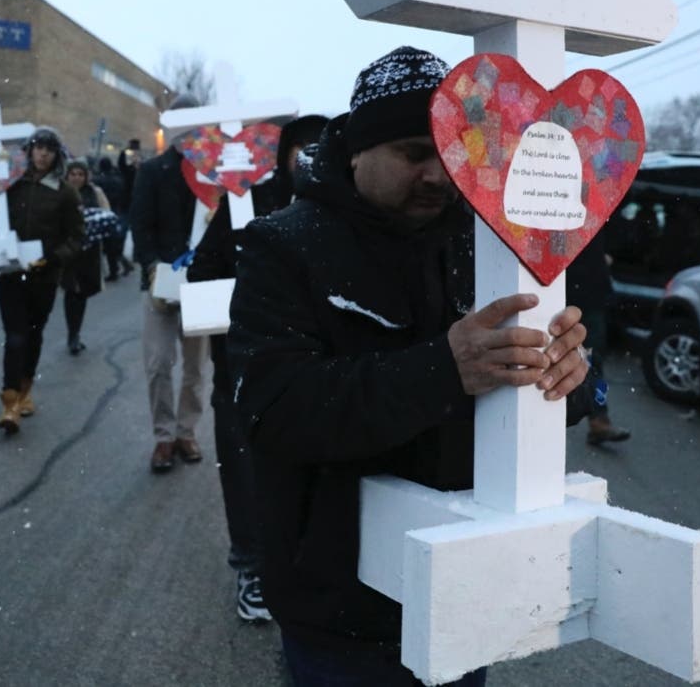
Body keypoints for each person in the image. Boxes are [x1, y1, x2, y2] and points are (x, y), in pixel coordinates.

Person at [227, 47, 594, 686]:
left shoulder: (493, 242)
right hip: (340, 600)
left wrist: (570, 377)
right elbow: (272, 407)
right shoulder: (285, 245)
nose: (436, 176)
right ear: (356, 151)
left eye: (450, 154)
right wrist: (442, 370)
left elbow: (545, 390)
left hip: (466, 580)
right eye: (411, 153)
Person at [189, 113, 328, 623]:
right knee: (245, 472)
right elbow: (203, 272)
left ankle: (301, 565)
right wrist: (243, 292)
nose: (309, 156)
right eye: (300, 147)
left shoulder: (344, 212)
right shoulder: (245, 205)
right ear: (285, 154)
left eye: (320, 145)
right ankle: (251, 568)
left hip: (314, 375)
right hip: (241, 371)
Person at [0, 127, 83, 434]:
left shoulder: (65, 191)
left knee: (34, 333)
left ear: (56, 155)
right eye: (39, 148)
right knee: (15, 336)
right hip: (11, 274)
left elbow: (76, 237)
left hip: (44, 276)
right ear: (29, 151)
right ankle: (9, 402)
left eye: (49, 150)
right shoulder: (7, 182)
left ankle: (26, 388)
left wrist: (53, 258)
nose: (43, 154)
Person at [129, 96, 210, 473]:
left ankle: (185, 431)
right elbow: (140, 224)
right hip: (160, 280)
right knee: (159, 363)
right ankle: (163, 437)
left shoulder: (214, 171)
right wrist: (150, 267)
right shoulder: (152, 171)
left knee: (195, 368)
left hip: (201, 284)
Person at [567, 229, 630, 444]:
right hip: (565, 289)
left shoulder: (596, 205)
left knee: (593, 360)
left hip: (589, 292)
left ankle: (598, 418)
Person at [61, 158, 109, 355]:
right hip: (68, 250)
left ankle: (75, 331)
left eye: (80, 174)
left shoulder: (95, 193)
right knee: (72, 291)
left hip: (89, 252)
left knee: (83, 292)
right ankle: (73, 334)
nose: (77, 178)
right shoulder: (60, 192)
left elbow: (106, 215)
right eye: (73, 174)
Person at [93, 155, 136, 281]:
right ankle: (115, 269)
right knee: (113, 244)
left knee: (103, 245)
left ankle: (112, 269)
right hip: (117, 212)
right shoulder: (118, 180)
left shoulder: (97, 181)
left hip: (101, 214)